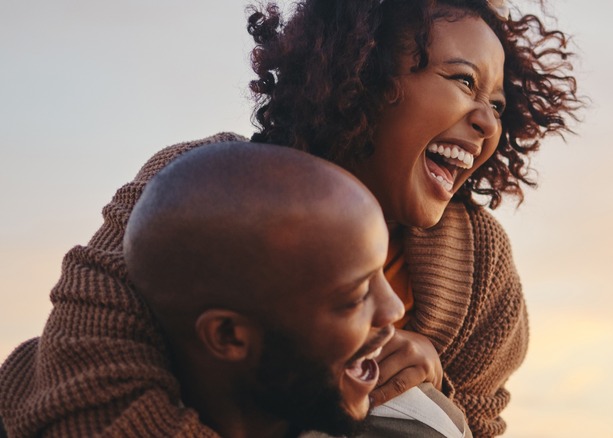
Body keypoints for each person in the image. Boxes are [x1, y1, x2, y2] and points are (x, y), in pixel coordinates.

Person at [0, 0, 579, 436]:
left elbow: (473, 425)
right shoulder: (202, 183)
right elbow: (86, 383)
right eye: (463, 81)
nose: (487, 122)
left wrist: (436, 383)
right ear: (368, 76)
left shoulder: (480, 263)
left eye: (498, 105)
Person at [122, 141, 404, 437]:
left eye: (381, 273)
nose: (394, 309)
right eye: (357, 297)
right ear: (228, 335)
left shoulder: (418, 423)